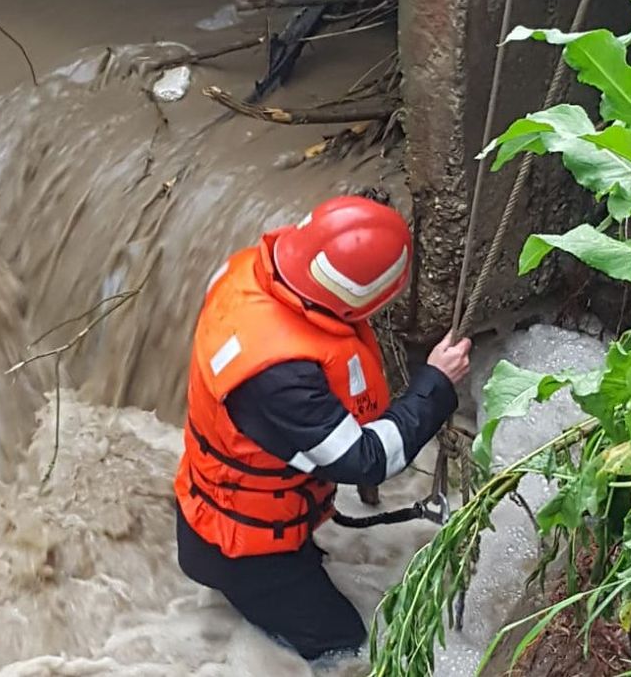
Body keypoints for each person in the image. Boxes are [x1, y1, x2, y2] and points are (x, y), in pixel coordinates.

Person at [174, 194, 472, 662]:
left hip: (223, 512)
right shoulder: (282, 377)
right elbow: (367, 460)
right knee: (347, 648)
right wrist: (435, 384)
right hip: (240, 550)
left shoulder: (248, 275)